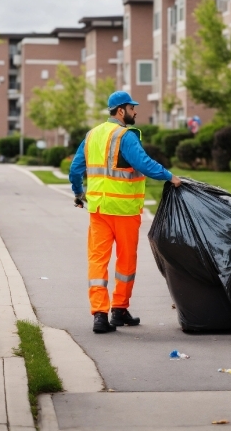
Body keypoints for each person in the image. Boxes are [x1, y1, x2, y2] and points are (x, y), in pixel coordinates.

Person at [69, 91, 181, 333]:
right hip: (125, 210)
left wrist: (78, 194)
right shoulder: (125, 136)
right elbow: (144, 164)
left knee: (97, 261)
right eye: (132, 108)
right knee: (126, 261)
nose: (135, 112)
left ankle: (100, 314)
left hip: (99, 210)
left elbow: (75, 169)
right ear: (121, 111)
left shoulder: (92, 135)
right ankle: (119, 310)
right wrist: (170, 177)